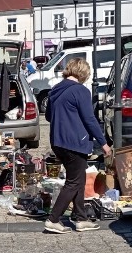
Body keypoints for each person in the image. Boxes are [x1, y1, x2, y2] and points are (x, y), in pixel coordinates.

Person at [44, 57, 111, 234]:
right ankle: (53, 219)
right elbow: (90, 119)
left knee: (78, 179)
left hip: (58, 141)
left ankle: (81, 218)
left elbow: (49, 117)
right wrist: (103, 143)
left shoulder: (55, 90)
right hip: (74, 142)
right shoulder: (80, 91)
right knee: (73, 182)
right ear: (83, 73)